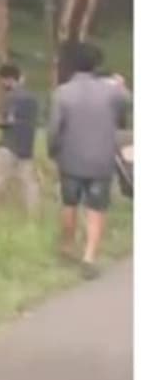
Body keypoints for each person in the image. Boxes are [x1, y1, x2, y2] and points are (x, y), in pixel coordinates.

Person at [47, 42, 131, 279]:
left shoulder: (62, 92)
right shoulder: (112, 91)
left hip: (71, 159)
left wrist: (53, 151)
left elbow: (54, 128)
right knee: (97, 207)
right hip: (101, 160)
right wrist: (121, 85)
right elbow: (129, 104)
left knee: (69, 203)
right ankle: (90, 256)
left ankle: (67, 246)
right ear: (97, 64)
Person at [0, 63, 41, 215]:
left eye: (1, 81)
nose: (1, 85)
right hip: (26, 149)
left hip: (8, 147)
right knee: (29, 186)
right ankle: (35, 216)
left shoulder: (11, 97)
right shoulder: (33, 99)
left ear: (8, 79)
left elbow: (7, 120)